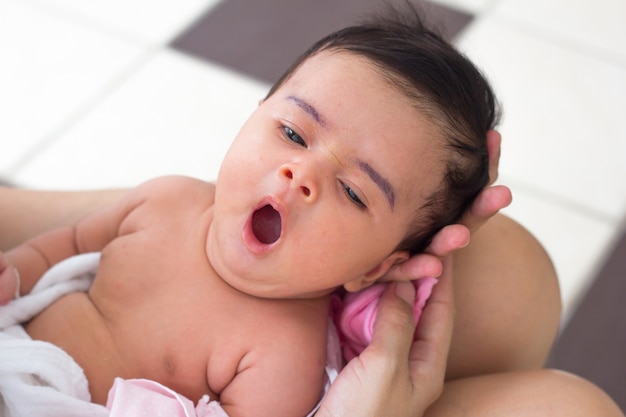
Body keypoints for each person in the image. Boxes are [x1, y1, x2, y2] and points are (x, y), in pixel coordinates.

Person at [0, 9, 623, 417]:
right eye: (294, 134)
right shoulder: (164, 198)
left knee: (509, 272)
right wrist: (16, 273)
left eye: (355, 193)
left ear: (376, 267)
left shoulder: (282, 352)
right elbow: (67, 244)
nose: (302, 177)